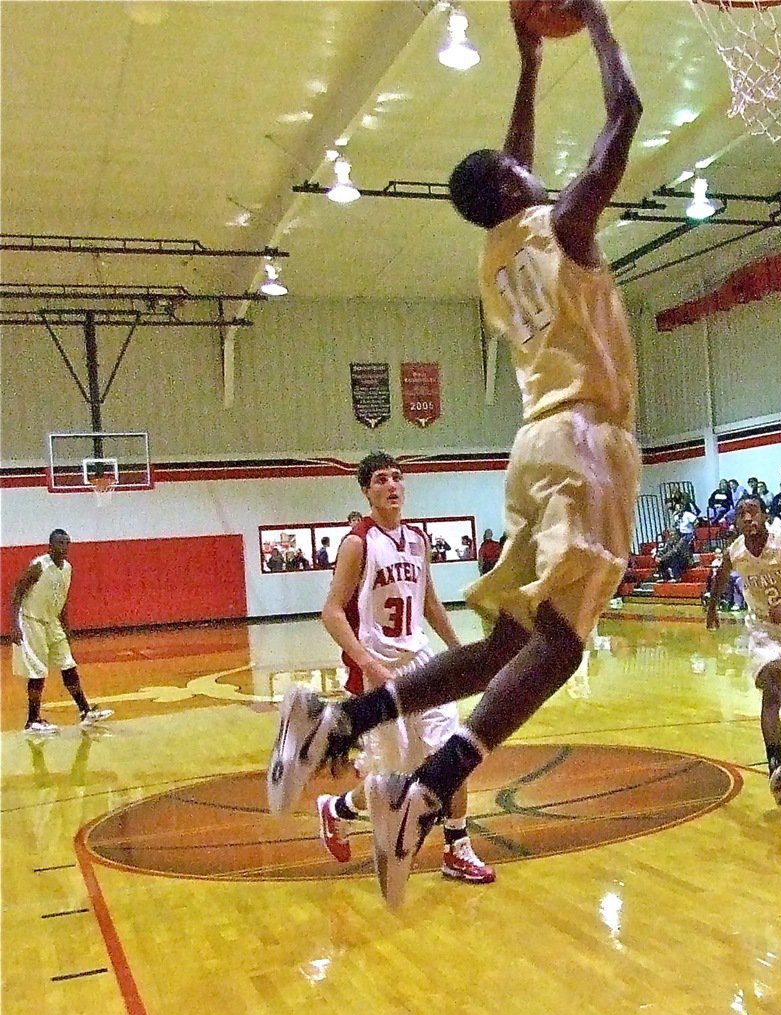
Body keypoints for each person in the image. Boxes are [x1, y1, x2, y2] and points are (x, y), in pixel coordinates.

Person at [268, 0, 642, 907]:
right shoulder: (567, 229)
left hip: (533, 447)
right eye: (522, 169)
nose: (530, 165)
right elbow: (624, 112)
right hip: (589, 441)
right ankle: (429, 789)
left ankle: (343, 720)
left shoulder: (498, 252)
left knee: (504, 644)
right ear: (517, 186)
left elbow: (511, 163)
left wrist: (524, 60)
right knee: (559, 650)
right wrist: (593, 23)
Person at [310, 454, 494, 891]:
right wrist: (366, 661)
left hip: (420, 661)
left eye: (397, 477)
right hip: (377, 667)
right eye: (380, 479)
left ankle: (457, 845)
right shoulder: (357, 543)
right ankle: (334, 811)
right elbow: (331, 612)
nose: (391, 485)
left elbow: (429, 602)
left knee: (455, 751)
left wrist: (459, 651)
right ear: (367, 492)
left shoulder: (418, 539)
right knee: (392, 783)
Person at [705, 497, 781, 806]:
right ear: (736, 522)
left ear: (764, 515)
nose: (747, 517)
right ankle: (776, 764)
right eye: (741, 514)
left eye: (753, 511)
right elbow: (720, 579)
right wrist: (712, 610)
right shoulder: (734, 551)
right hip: (764, 626)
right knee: (770, 682)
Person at [10, 529, 113, 736]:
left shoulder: (67, 568)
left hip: (52, 622)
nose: (64, 547)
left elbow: (61, 599)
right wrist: (14, 625)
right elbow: (18, 591)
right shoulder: (39, 566)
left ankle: (85, 712)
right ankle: (32, 721)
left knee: (68, 663)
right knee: (38, 670)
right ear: (50, 546)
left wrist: (65, 626)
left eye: (67, 543)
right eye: (60, 543)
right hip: (32, 621)